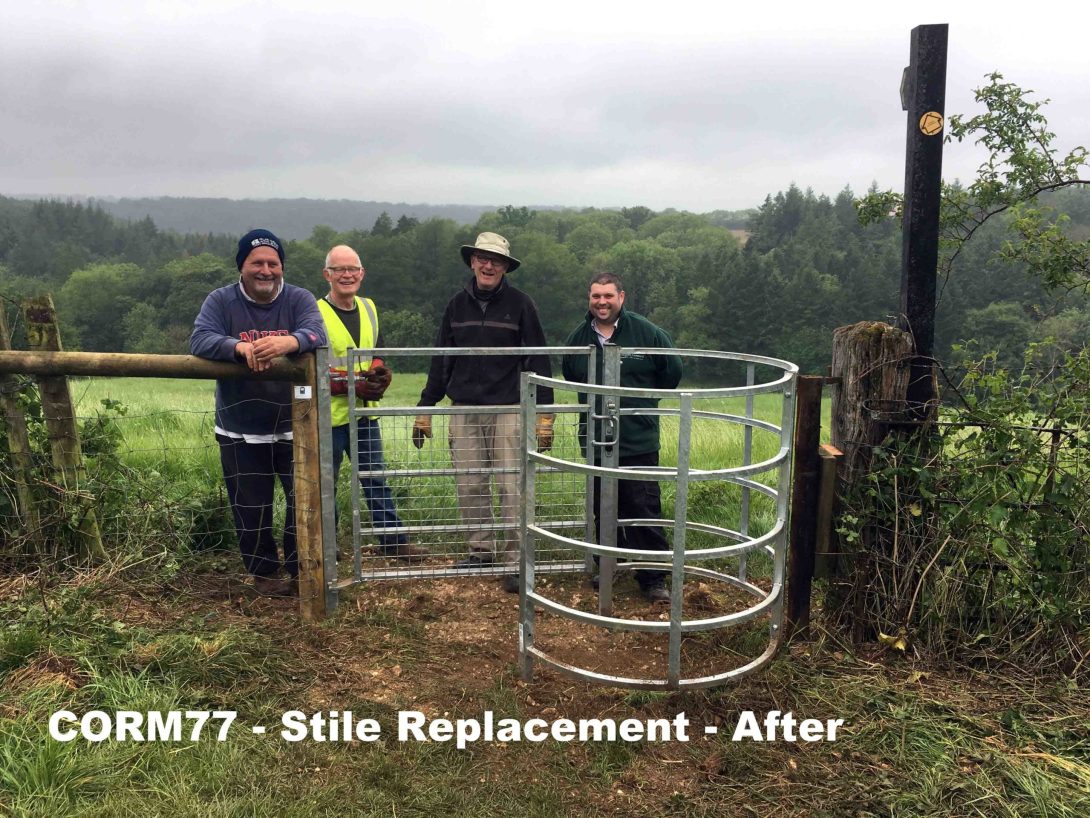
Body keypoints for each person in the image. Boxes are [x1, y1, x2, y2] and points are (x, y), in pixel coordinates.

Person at [411, 232, 554, 592]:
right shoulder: (456, 306)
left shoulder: (521, 305)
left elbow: (538, 358)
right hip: (465, 409)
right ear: (472, 261)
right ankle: (480, 550)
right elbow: (442, 359)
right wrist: (426, 407)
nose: (489, 265)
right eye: (482, 258)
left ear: (506, 266)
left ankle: (516, 562)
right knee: (470, 483)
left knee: (511, 485)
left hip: (509, 407)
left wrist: (544, 414)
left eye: (497, 260)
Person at [190, 229, 327, 597]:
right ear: (242, 266)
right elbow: (200, 338)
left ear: (281, 267)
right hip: (240, 427)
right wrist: (238, 348)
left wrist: (290, 341)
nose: (266, 270)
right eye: (257, 263)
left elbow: (318, 334)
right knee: (251, 506)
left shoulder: (299, 298)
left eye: (273, 263)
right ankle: (265, 575)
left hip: (294, 426)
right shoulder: (221, 300)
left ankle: (303, 571)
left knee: (304, 501)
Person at [561, 272, 683, 604]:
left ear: (621, 297)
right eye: (596, 296)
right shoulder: (578, 338)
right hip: (597, 438)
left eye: (608, 296)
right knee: (604, 505)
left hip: (637, 437)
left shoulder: (647, 333)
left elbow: (671, 372)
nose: (602, 302)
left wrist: (641, 403)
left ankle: (653, 577)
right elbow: (571, 373)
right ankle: (608, 566)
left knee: (642, 506)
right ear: (589, 299)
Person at [317, 244, 425, 562]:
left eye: (353, 269)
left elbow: (375, 348)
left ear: (362, 274)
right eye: (339, 270)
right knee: (327, 482)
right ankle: (327, 547)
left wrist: (379, 372)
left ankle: (393, 541)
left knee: (375, 478)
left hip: (365, 414)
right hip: (330, 415)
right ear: (327, 275)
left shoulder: (369, 308)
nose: (347, 275)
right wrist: (351, 386)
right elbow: (310, 367)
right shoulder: (314, 312)